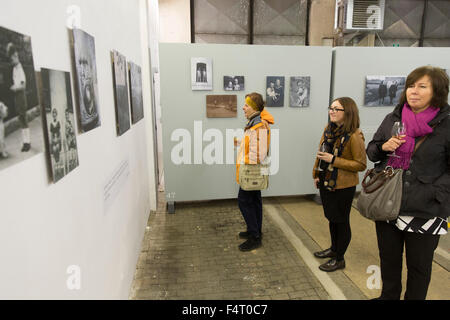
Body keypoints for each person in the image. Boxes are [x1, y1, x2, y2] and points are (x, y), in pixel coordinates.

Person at [366, 66, 449, 300]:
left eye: (422, 86)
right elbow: (372, 152)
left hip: (426, 208)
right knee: (389, 260)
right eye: (411, 85)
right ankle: (388, 297)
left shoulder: (446, 125)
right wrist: (384, 147)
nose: (414, 91)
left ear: (437, 91)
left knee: (419, 267)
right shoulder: (393, 118)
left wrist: (436, 193)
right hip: (389, 202)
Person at [312, 97, 367, 272]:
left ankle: (340, 258)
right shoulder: (329, 129)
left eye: (337, 109)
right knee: (332, 219)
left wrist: (334, 160)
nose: (332, 111)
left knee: (341, 221)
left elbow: (361, 164)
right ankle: (333, 249)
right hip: (326, 181)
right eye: (331, 108)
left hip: (343, 186)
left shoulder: (354, 135)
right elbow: (321, 153)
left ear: (348, 112)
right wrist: (316, 173)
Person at [235, 93, 274, 252]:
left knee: (244, 201)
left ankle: (255, 237)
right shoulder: (255, 123)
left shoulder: (259, 125)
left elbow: (259, 153)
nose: (243, 108)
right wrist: (240, 141)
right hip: (253, 171)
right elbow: (254, 144)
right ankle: (255, 230)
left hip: (251, 171)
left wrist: (244, 159)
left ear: (255, 108)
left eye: (246, 105)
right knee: (255, 199)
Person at [8, 43, 31, 152]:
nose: (11, 61)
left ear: (16, 56)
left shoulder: (20, 69)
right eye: (11, 58)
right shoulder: (14, 69)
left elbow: (23, 85)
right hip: (17, 96)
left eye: (13, 58)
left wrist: (15, 88)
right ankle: (25, 142)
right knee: (21, 119)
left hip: (21, 95)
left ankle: (27, 142)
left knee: (23, 118)